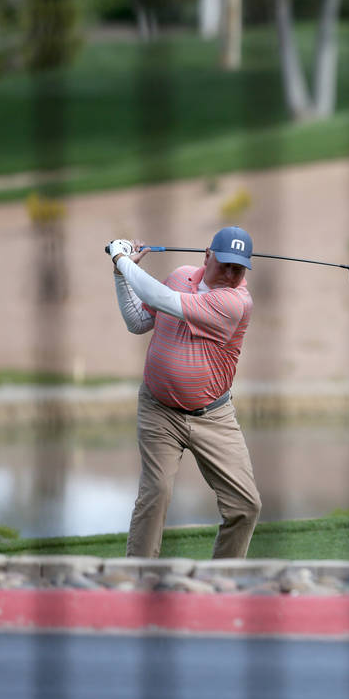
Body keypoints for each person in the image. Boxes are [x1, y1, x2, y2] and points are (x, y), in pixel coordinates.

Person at [106, 226, 261, 559]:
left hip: (214, 417)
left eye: (239, 267)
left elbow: (160, 299)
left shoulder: (235, 303)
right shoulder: (179, 276)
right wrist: (121, 274)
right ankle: (138, 580)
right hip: (158, 409)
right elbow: (137, 320)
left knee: (246, 506)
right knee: (156, 494)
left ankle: (222, 583)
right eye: (226, 264)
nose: (232, 273)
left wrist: (121, 257)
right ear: (207, 254)